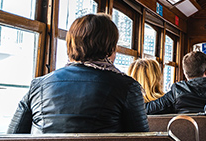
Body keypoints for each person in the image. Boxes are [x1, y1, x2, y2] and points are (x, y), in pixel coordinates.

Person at [8, 13, 149, 134]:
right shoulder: (128, 87)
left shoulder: (39, 85)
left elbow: (13, 137)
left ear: (70, 45)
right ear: (110, 48)